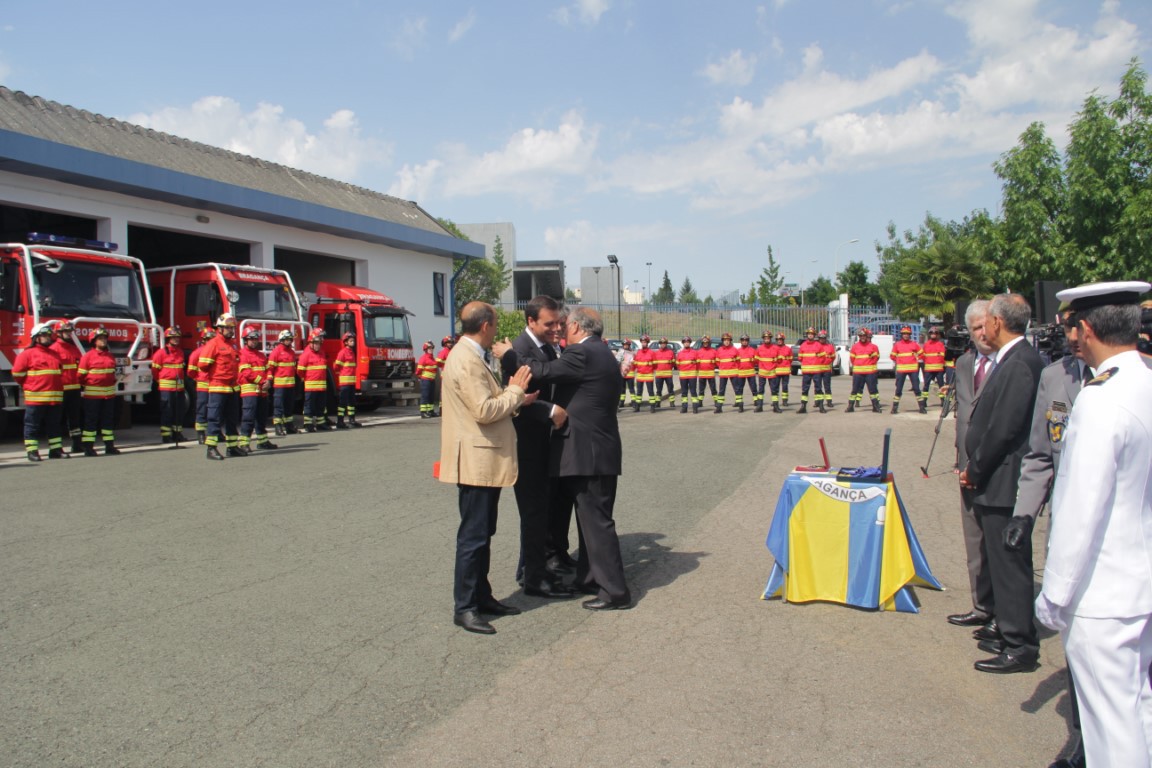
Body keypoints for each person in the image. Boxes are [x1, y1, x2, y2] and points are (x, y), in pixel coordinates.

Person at [1033, 281, 1152, 767]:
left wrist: (1054, 595)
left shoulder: (1099, 400)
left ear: (1084, 329)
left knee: (1110, 727)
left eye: (1069, 325)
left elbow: (1080, 508)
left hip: (1103, 592)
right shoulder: (1144, 382)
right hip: (1139, 582)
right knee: (1137, 709)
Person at [1006, 304, 1090, 768]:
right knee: (1078, 641)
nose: (1070, 336)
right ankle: (1083, 738)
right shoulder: (1057, 377)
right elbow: (1041, 453)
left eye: (1076, 327)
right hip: (1069, 530)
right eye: (1067, 327)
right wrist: (1024, 514)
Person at [505, 306, 631, 610]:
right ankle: (589, 578)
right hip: (597, 450)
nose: (561, 331)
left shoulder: (582, 353)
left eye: (565, 325)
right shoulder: (601, 352)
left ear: (576, 327)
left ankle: (614, 591)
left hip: (588, 453)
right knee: (590, 522)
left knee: (596, 523)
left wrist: (509, 354)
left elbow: (543, 371)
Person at [960, 293, 1044, 674]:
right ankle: (1005, 627)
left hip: (1003, 477)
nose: (984, 325)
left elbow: (1004, 428)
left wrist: (975, 468)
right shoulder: (1011, 359)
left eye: (988, 319)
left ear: (998, 322)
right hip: (994, 477)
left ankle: (1019, 644)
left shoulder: (1020, 363)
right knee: (998, 559)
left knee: (1010, 565)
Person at [438, 302, 533, 635]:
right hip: (476, 461)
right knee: (473, 537)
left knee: (482, 534)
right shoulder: (466, 359)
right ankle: (464, 607)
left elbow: (489, 404)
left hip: (483, 459)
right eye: (495, 323)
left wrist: (516, 398)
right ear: (487, 325)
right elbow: (484, 409)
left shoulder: (469, 355)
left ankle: (481, 596)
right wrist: (516, 391)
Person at [499, 295, 576, 600]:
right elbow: (514, 397)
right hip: (528, 441)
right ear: (530, 321)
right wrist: (548, 410)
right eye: (550, 323)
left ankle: (547, 561)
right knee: (533, 509)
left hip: (547, 441)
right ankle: (533, 576)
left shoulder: (547, 347)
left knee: (548, 506)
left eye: (559, 322)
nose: (557, 328)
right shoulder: (518, 350)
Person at [945, 300, 997, 633]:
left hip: (999, 466)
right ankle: (981, 605)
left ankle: (1005, 615)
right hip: (966, 467)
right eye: (975, 328)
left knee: (1000, 545)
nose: (981, 334)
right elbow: (962, 416)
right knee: (974, 540)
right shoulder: (964, 364)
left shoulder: (1009, 364)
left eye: (985, 326)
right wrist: (958, 456)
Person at [12, 322, 64, 462]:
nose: (47, 337)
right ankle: (32, 451)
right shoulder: (27, 354)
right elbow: (17, 374)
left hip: (55, 398)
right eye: (44, 335)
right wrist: (31, 386)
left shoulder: (54, 354)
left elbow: (59, 372)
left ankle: (55, 449)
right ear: (36, 338)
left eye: (48, 335)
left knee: (54, 425)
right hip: (36, 398)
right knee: (32, 425)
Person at [198, 314, 243, 460]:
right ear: (220, 329)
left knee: (232, 419)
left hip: (233, 387)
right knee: (214, 418)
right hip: (218, 387)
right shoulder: (213, 344)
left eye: (232, 328)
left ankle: (232, 447)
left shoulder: (234, 344)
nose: (231, 331)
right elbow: (203, 365)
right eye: (228, 328)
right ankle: (211, 449)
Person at [77, 327, 120, 456]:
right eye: (100, 339)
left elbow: (113, 373)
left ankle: (109, 446)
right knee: (91, 421)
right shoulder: (87, 357)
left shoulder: (110, 356)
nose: (103, 341)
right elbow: (80, 376)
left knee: (108, 421)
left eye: (105, 338)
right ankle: (88, 447)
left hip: (109, 395)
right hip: (93, 396)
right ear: (94, 341)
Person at [237, 328, 279, 453]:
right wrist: (262, 381)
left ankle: (262, 441)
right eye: (251, 339)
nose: (254, 341)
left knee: (262, 417)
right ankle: (244, 443)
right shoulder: (242, 354)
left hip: (262, 391)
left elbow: (269, 370)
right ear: (246, 340)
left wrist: (269, 381)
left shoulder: (260, 355)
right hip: (250, 390)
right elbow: (246, 373)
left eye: (255, 339)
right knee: (248, 417)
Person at [50, 320, 84, 454]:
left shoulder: (74, 349)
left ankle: (76, 444)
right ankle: (56, 448)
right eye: (66, 332)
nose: (69, 334)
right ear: (58, 333)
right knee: (56, 419)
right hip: (60, 390)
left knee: (75, 419)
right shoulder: (53, 350)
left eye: (70, 332)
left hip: (74, 389)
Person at [152, 326, 188, 447]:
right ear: (168, 338)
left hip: (179, 388)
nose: (176, 339)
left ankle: (177, 434)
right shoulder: (161, 353)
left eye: (177, 337)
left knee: (179, 412)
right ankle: (166, 436)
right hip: (166, 389)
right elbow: (155, 371)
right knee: (167, 412)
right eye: (173, 337)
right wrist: (161, 381)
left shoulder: (180, 352)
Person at [268, 330, 298, 436]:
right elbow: (270, 368)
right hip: (279, 385)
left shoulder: (292, 352)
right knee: (278, 406)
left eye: (290, 339)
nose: (289, 341)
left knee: (289, 406)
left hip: (290, 385)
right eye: (287, 339)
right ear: (282, 340)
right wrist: (269, 380)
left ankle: (289, 425)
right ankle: (278, 426)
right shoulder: (276, 352)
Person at [298, 330, 329, 432]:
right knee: (309, 406)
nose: (317, 345)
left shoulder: (322, 353)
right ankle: (308, 424)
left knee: (321, 406)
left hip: (321, 386)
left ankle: (321, 423)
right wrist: (307, 379)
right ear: (310, 343)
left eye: (319, 343)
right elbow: (300, 371)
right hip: (311, 386)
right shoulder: (306, 354)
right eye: (315, 343)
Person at [188, 328, 215, 443]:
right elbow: (191, 371)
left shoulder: (216, 351)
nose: (210, 341)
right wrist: (199, 379)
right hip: (203, 386)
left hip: (215, 385)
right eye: (208, 339)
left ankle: (215, 432)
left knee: (214, 410)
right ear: (203, 340)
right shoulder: (197, 353)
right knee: (202, 409)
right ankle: (200, 433)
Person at [890, 326, 926, 414]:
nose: (906, 335)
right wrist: (899, 360)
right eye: (904, 334)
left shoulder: (914, 344)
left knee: (917, 389)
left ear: (909, 335)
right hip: (901, 370)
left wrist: (916, 360)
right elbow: (892, 356)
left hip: (913, 370)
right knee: (898, 389)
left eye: (907, 334)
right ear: (902, 335)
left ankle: (922, 407)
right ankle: (895, 408)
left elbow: (922, 354)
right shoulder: (897, 345)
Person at [846, 327, 881, 413]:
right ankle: (850, 406)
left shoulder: (873, 347)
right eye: (861, 336)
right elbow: (852, 359)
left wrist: (869, 364)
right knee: (854, 390)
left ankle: (875, 406)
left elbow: (876, 358)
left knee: (872, 390)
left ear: (867, 336)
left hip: (870, 372)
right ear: (859, 336)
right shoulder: (855, 347)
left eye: (864, 336)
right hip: (858, 372)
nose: (863, 337)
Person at [333, 332, 361, 428]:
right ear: (346, 342)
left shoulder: (352, 352)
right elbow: (336, 366)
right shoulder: (342, 353)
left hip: (351, 383)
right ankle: (340, 421)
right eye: (351, 341)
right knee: (342, 403)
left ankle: (352, 420)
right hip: (345, 383)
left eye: (353, 340)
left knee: (352, 402)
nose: (353, 342)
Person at [796, 327, 824, 414]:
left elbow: (823, 357)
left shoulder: (818, 345)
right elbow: (800, 358)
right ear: (807, 335)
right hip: (807, 371)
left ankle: (821, 406)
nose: (810, 335)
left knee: (818, 389)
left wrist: (816, 363)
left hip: (816, 371)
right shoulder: (803, 345)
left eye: (812, 334)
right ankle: (803, 406)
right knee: (805, 389)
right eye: (809, 334)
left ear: (814, 335)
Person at [921, 326, 947, 409]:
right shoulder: (926, 345)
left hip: (939, 369)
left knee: (941, 385)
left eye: (935, 333)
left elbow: (943, 356)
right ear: (929, 334)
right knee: (926, 385)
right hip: (929, 368)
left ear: (938, 334)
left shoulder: (940, 344)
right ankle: (924, 401)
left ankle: (942, 400)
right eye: (932, 333)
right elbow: (923, 356)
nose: (933, 334)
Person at [714, 332, 738, 413]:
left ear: (730, 341)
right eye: (725, 340)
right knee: (721, 390)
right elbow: (717, 361)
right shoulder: (719, 350)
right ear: (723, 341)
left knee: (737, 389)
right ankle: (719, 407)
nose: (726, 341)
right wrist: (722, 367)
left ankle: (740, 404)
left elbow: (738, 361)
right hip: (723, 373)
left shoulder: (734, 350)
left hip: (733, 373)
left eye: (728, 340)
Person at [631, 335, 656, 411]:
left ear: (647, 343)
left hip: (649, 375)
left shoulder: (652, 353)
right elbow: (635, 363)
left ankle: (652, 407)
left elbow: (655, 364)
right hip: (640, 375)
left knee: (650, 391)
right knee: (639, 392)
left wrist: (650, 369)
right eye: (642, 342)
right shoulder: (638, 352)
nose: (643, 344)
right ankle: (637, 406)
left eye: (644, 342)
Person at [734, 334, 757, 413]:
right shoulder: (738, 351)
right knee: (739, 389)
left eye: (746, 340)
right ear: (741, 341)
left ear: (748, 341)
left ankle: (756, 401)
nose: (744, 342)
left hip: (750, 372)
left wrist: (752, 362)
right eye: (743, 340)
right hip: (741, 373)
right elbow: (735, 362)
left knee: (753, 388)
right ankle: (740, 403)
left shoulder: (752, 350)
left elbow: (756, 361)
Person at [416, 340, 439, 418]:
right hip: (425, 380)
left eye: (432, 348)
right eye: (429, 348)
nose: (431, 349)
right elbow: (418, 370)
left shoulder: (432, 358)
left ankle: (430, 411)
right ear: (425, 349)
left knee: (431, 396)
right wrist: (420, 377)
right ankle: (423, 412)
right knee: (425, 396)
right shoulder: (423, 358)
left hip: (432, 380)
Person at [696, 335, 719, 412]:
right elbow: (697, 363)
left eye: (707, 343)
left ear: (709, 343)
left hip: (710, 373)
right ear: (702, 343)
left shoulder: (713, 351)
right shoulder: (698, 352)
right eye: (704, 343)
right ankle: (700, 402)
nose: (705, 344)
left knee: (713, 389)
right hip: (702, 373)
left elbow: (717, 362)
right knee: (701, 389)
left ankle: (716, 401)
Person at [754, 331, 776, 413]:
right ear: (763, 339)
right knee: (760, 391)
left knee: (774, 390)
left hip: (772, 372)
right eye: (765, 339)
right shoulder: (759, 349)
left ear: (770, 339)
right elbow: (756, 360)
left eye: (768, 338)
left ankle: (775, 406)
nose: (767, 340)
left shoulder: (775, 348)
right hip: (762, 373)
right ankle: (759, 406)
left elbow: (779, 360)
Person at [676, 336, 698, 413]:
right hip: (683, 375)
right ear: (683, 343)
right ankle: (684, 407)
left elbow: (698, 363)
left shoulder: (694, 353)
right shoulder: (680, 354)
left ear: (690, 343)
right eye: (685, 342)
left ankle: (695, 407)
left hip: (692, 375)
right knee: (684, 392)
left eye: (688, 342)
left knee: (693, 391)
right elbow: (678, 365)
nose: (686, 343)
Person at [652, 337, 676, 408]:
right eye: (661, 343)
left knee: (670, 389)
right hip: (659, 374)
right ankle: (658, 402)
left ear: (666, 344)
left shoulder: (670, 352)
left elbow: (673, 363)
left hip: (668, 374)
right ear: (660, 344)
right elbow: (654, 364)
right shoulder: (656, 353)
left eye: (664, 343)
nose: (663, 345)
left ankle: (672, 402)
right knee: (658, 390)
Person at [434, 335, 454, 417]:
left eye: (451, 342)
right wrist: (445, 364)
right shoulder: (444, 351)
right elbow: (438, 361)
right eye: (448, 343)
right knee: (444, 393)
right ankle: (442, 410)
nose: (450, 344)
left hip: (451, 374)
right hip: (446, 375)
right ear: (445, 344)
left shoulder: (452, 351)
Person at [816, 329, 835, 410]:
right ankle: (817, 401)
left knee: (827, 386)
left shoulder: (829, 346)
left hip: (827, 369)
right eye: (821, 338)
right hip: (817, 369)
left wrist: (828, 361)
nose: (822, 339)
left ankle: (829, 401)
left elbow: (833, 356)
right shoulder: (816, 346)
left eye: (823, 338)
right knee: (817, 386)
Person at [772, 332, 791, 410]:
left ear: (783, 340)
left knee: (785, 386)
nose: (779, 341)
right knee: (775, 387)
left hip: (785, 370)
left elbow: (790, 359)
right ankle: (775, 401)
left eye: (780, 339)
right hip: (776, 370)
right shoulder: (773, 348)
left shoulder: (788, 349)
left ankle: (785, 400)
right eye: (778, 339)